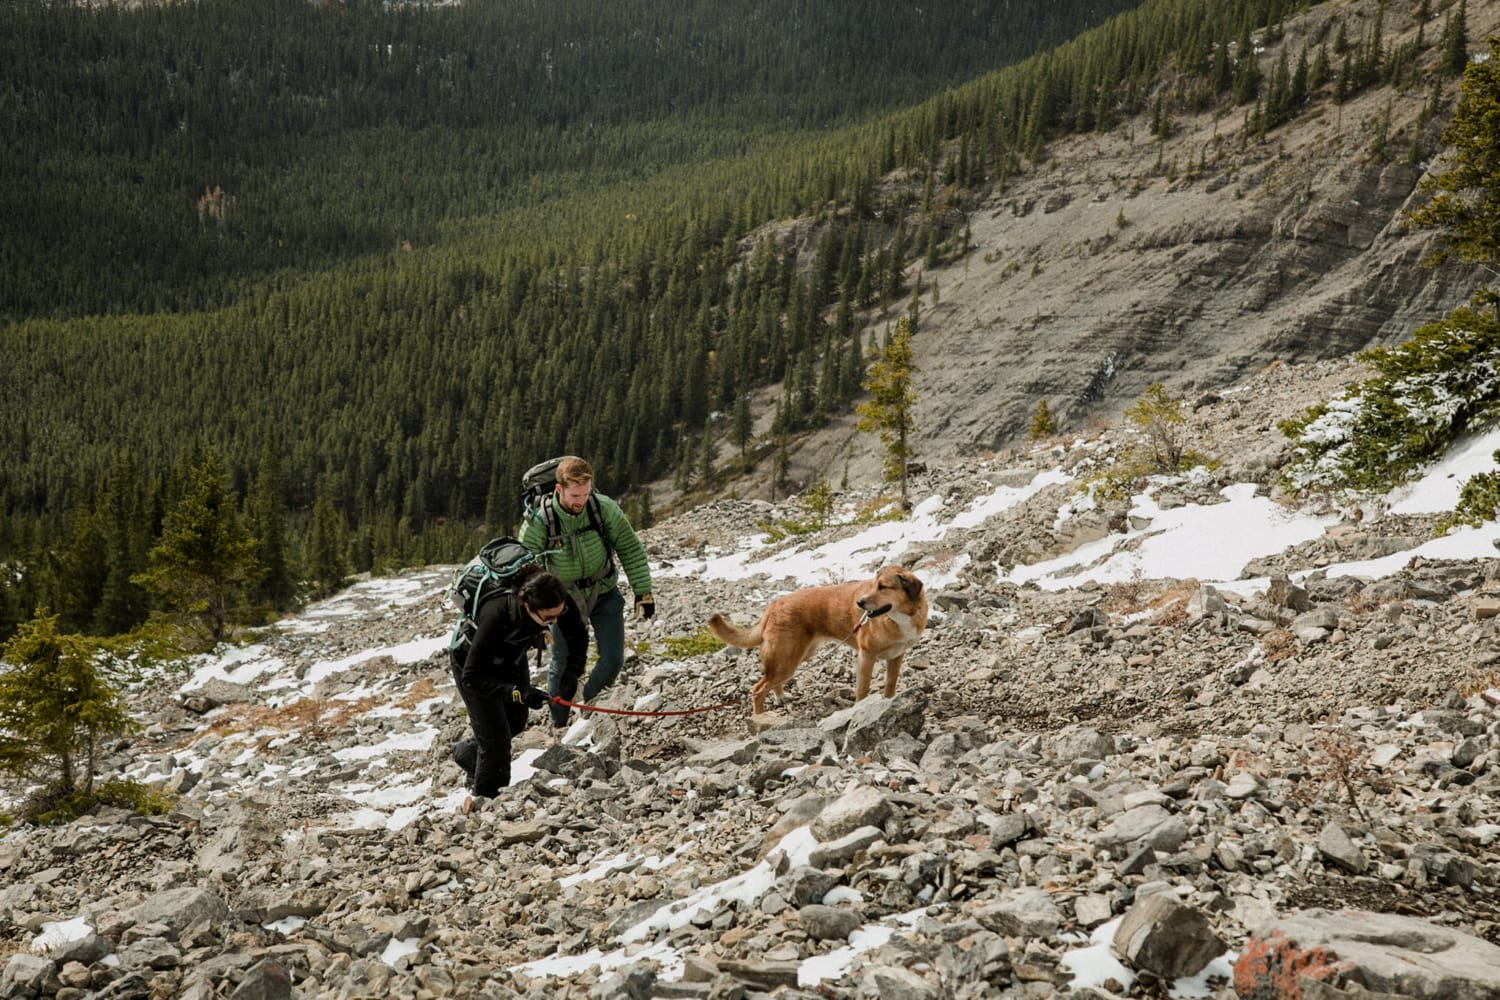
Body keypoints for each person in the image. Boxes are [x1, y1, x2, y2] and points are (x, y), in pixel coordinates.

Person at [519, 456, 654, 728]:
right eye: (574, 494)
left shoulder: (602, 509)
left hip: (603, 591)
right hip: (561, 603)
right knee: (562, 664)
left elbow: (629, 548)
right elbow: (522, 571)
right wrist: (532, 620)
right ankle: (559, 722)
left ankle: (587, 707)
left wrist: (644, 591)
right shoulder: (539, 520)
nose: (580, 500)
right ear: (559, 489)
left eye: (585, 492)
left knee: (613, 660)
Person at [450, 564, 585, 804]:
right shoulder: (497, 613)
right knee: (495, 744)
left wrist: (572, 672)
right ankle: (486, 805)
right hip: (472, 665)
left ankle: (466, 754)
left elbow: (577, 633)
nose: (554, 622)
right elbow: (472, 677)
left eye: (558, 614)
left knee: (515, 723)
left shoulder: (556, 600)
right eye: (548, 618)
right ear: (527, 605)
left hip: (512, 657)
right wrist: (518, 693)